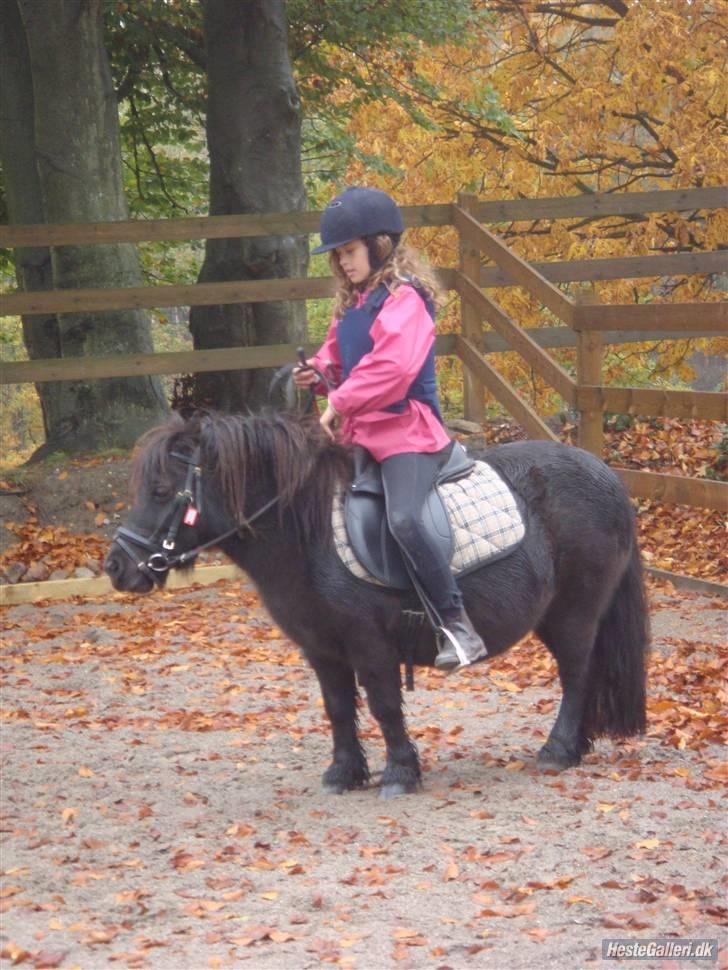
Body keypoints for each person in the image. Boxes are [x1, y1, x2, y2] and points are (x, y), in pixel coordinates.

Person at [294, 186, 487, 673]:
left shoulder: (407, 301)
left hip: (408, 433)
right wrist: (316, 374)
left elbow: (392, 368)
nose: (342, 263)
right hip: (360, 433)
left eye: (349, 252)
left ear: (380, 245)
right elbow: (338, 360)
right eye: (337, 255)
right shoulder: (354, 306)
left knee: (403, 518)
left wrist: (338, 399)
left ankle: (456, 625)